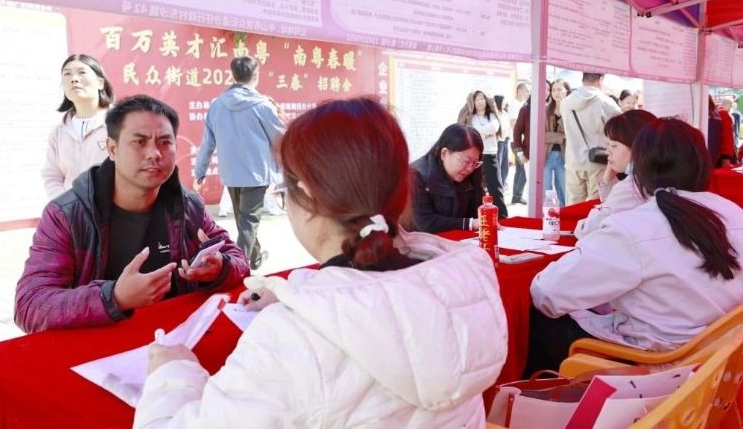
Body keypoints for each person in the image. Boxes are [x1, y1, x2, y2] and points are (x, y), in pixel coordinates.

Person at [134, 97, 508, 427]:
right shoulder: (457, 282)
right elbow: (386, 305)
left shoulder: (292, 339)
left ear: (308, 194)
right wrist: (299, 295)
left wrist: (171, 374)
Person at [15, 95, 249, 333]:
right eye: (139, 141)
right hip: (100, 346)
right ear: (112, 149)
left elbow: (239, 260)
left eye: (165, 142)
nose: (154, 153)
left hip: (174, 340)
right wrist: (114, 298)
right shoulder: (67, 215)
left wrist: (220, 269)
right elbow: (29, 306)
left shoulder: (186, 205)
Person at [527, 118, 743, 373]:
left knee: (541, 319)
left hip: (657, 364)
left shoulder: (634, 228)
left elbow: (547, 294)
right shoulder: (734, 214)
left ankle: (539, 397)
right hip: (721, 362)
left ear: (639, 166)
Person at [194, 55, 286, 269]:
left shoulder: (217, 105)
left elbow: (207, 143)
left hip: (231, 174)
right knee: (248, 224)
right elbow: (280, 139)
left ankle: (255, 257)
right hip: (256, 174)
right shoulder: (263, 106)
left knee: (244, 223)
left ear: (233, 75)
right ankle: (237, 267)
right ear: (256, 75)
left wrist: (200, 171)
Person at [575, 109, 657, 238]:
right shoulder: (653, 178)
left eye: (613, 145)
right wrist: (608, 178)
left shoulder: (633, 187)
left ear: (637, 147)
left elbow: (586, 230)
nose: (607, 151)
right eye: (608, 145)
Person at [42, 54, 114, 199]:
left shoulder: (119, 124)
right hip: (70, 210)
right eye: (67, 74)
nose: (74, 79)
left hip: (111, 209)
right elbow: (52, 176)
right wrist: (66, 204)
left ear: (100, 82)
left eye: (82, 72)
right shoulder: (58, 132)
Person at [411, 124, 486, 233]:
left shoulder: (472, 173)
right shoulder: (415, 175)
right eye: (466, 161)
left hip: (459, 240)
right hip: (421, 241)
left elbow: (478, 210)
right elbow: (426, 222)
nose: (470, 168)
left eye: (475, 162)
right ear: (444, 153)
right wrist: (469, 224)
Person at [561, 73, 622, 204]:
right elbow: (621, 130)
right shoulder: (606, 102)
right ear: (601, 79)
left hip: (573, 162)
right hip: (598, 161)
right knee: (598, 206)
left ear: (583, 78)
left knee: (573, 208)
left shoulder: (566, 102)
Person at [457, 90, 508, 218]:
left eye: (482, 98)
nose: (480, 102)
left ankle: (502, 216)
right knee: (476, 187)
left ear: (486, 100)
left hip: (490, 156)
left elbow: (494, 127)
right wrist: (485, 134)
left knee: (495, 187)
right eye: (477, 99)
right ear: (473, 102)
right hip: (475, 157)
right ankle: (477, 216)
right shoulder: (471, 117)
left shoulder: (492, 115)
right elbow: (470, 131)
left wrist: (479, 133)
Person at [544, 79, 569, 206]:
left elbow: (571, 134)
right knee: (546, 192)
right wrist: (562, 136)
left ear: (566, 91)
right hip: (546, 155)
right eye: (553, 90)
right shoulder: (545, 110)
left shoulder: (570, 110)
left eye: (559, 89)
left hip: (565, 156)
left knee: (564, 191)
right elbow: (542, 135)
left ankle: (565, 215)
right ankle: (547, 215)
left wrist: (563, 110)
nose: (556, 93)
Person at [509, 82, 531, 205]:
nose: (528, 93)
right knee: (522, 171)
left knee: (519, 170)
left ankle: (516, 195)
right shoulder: (516, 105)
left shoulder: (521, 104)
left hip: (518, 142)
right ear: (519, 91)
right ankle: (517, 196)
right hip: (517, 143)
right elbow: (514, 124)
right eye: (526, 90)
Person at [493, 95, 511, 189]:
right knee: (498, 164)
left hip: (506, 140)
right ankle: (498, 185)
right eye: (503, 101)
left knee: (505, 165)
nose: (505, 103)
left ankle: (503, 184)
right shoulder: (495, 114)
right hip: (499, 141)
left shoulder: (505, 113)